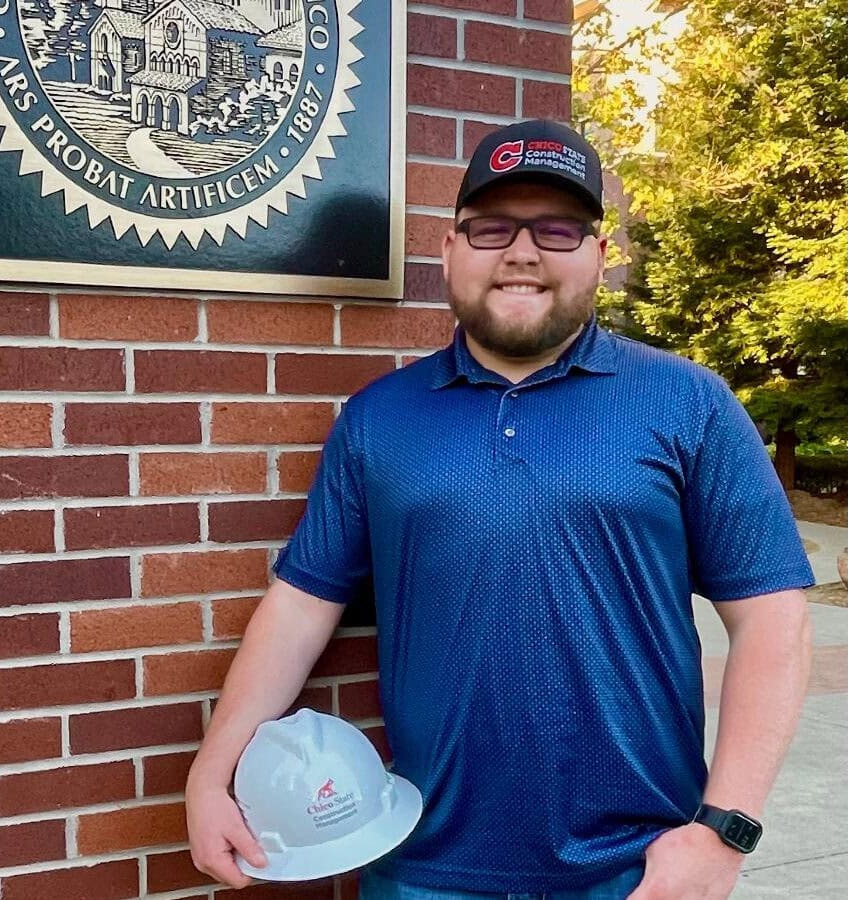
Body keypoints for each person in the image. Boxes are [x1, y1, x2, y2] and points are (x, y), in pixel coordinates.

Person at [185, 119, 815, 900]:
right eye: (492, 228)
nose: (522, 252)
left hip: (639, 872)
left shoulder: (689, 404)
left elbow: (772, 620)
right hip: (423, 865)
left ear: (599, 256)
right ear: (449, 251)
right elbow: (301, 607)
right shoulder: (379, 419)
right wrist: (213, 774)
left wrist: (724, 832)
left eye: (556, 228)